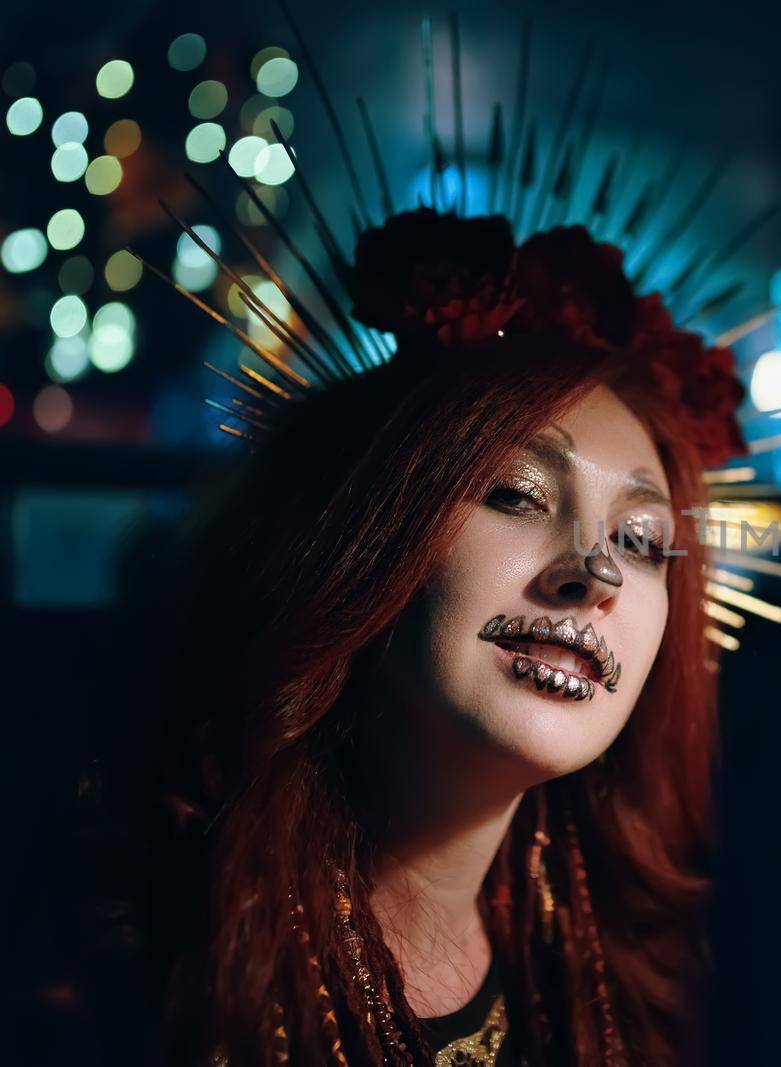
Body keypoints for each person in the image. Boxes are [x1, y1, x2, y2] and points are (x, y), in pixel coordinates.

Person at [106, 209, 748, 1066]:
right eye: (516, 493)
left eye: (638, 540)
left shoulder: (617, 964)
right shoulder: (145, 953)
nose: (592, 575)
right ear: (370, 532)